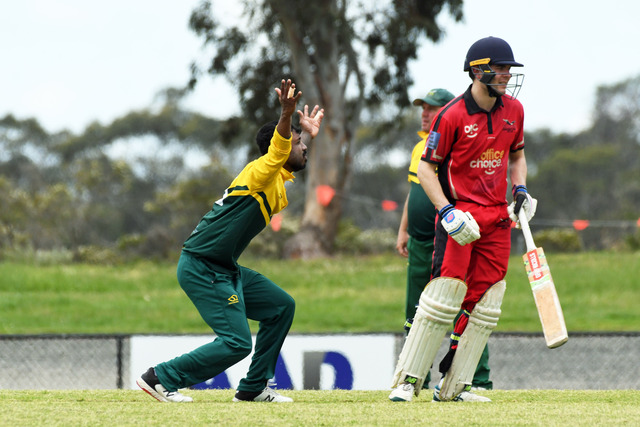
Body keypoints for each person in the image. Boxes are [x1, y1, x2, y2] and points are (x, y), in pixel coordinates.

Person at [136, 79, 325, 403]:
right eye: (297, 142)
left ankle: (253, 387)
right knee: (237, 342)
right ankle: (160, 378)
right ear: (278, 148)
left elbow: (290, 156)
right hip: (202, 266)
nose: (303, 146)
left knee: (281, 307)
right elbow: (281, 149)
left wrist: (306, 135)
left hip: (224, 268)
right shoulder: (261, 171)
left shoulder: (274, 177)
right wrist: (286, 113)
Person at [389, 36, 536, 403]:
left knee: (483, 303)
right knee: (443, 295)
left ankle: (455, 385)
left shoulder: (514, 110)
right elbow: (427, 169)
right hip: (461, 217)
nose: (506, 75)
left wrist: (520, 190)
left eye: (508, 69)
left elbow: (517, 156)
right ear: (477, 70)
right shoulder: (452, 115)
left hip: (497, 218)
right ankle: (408, 379)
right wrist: (447, 210)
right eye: (499, 68)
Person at [392, 88, 492, 398]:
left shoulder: (460, 142)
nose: (425, 113)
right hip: (419, 241)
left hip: (452, 240)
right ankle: (412, 380)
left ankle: (473, 379)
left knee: (465, 306)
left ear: (447, 111)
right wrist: (403, 230)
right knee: (415, 312)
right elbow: (415, 191)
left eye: (431, 108)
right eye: (422, 108)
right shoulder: (420, 146)